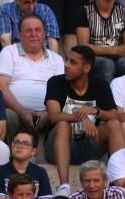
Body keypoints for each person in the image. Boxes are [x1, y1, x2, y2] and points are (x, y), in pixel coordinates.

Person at [46, 46, 119, 187]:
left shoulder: (99, 84)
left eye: (72, 62)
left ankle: (119, 185)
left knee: (114, 125)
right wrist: (81, 117)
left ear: (86, 68)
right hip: (57, 147)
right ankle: (64, 187)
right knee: (62, 124)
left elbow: (115, 115)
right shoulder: (55, 82)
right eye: (67, 60)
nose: (66, 65)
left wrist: (95, 111)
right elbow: (54, 117)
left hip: (87, 146)